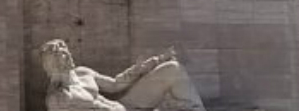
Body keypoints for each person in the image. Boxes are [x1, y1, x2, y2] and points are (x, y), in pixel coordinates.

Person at [39, 39, 206, 111]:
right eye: (62, 55)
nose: (68, 55)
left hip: (125, 106)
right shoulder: (58, 98)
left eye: (67, 51)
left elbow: (115, 84)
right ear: (52, 65)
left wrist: (147, 65)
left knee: (172, 69)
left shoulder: (83, 72)